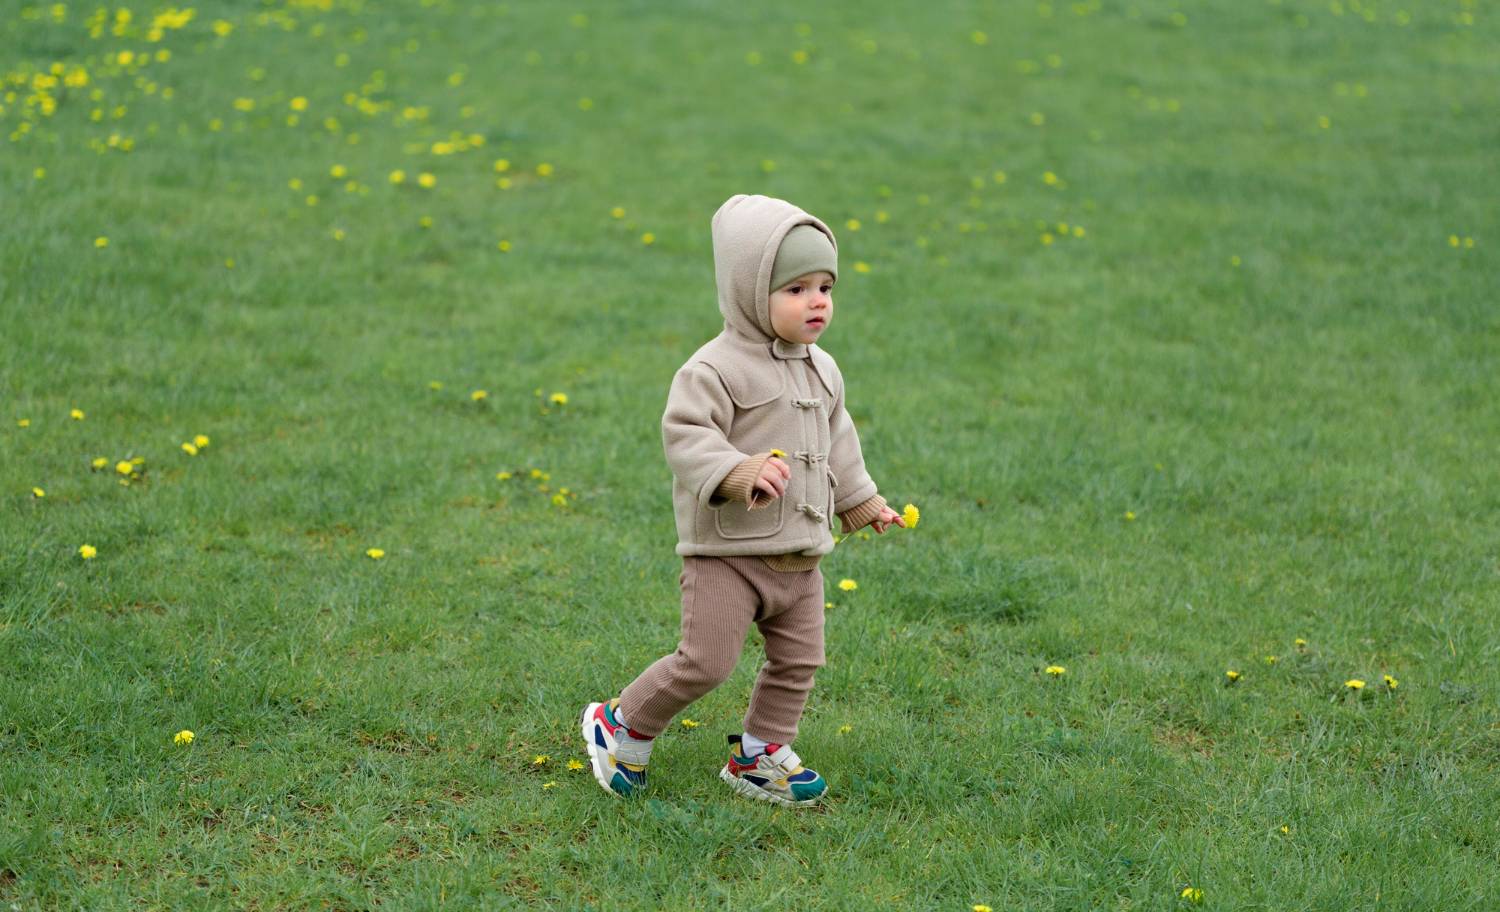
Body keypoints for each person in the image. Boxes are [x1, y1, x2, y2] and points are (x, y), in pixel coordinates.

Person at [580, 193, 906, 807]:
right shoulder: (714, 369)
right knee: (705, 662)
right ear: (750, 292)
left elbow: (838, 440)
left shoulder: (823, 370)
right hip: (727, 553)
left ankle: (759, 755)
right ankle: (621, 724)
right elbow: (686, 434)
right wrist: (736, 471)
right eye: (796, 289)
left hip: (799, 554)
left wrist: (862, 501)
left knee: (800, 662)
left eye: (825, 287)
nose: (817, 302)